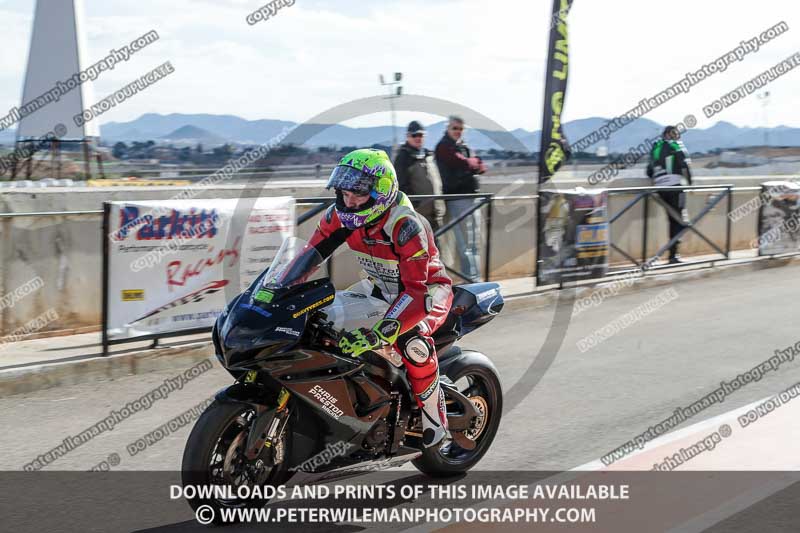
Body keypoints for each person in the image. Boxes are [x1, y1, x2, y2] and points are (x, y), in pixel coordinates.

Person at [307, 148, 453, 448]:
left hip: (426, 292)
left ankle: (436, 423)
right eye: (344, 192)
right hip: (379, 288)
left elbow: (415, 292)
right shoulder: (341, 215)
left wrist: (379, 334)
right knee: (320, 319)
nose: (349, 201)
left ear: (381, 192)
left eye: (358, 194)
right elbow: (307, 257)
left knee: (412, 342)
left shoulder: (405, 224)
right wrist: (272, 289)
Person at [435, 116, 487, 280]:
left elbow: (480, 165)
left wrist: (472, 162)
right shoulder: (444, 147)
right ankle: (471, 280)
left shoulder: (463, 147)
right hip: (458, 199)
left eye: (460, 129)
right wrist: (472, 163)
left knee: (474, 244)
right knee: (465, 245)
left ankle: (475, 278)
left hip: (472, 198)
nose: (458, 131)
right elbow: (464, 163)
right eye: (454, 128)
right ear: (448, 129)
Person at [647, 125, 693, 264]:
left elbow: (649, 171)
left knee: (672, 220)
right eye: (676, 134)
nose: (677, 136)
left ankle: (672, 254)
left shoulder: (655, 147)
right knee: (680, 221)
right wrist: (691, 183)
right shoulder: (676, 145)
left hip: (661, 189)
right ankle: (673, 255)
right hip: (675, 187)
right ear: (669, 134)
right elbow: (684, 165)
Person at [393, 121, 445, 231]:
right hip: (418, 215)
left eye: (420, 135)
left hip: (435, 212)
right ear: (408, 136)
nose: (418, 138)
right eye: (414, 135)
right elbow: (400, 185)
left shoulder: (428, 155)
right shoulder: (403, 157)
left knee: (437, 246)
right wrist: (414, 204)